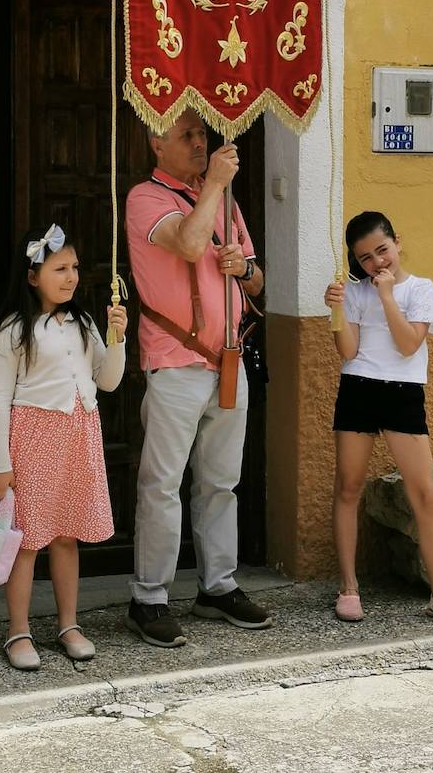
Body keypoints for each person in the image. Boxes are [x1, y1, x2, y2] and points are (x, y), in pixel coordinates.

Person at [125, 109, 270, 647]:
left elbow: (259, 283)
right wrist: (213, 187)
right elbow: (188, 243)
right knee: (161, 485)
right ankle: (149, 596)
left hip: (227, 359)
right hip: (176, 361)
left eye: (202, 134)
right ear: (156, 142)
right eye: (186, 134)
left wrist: (244, 268)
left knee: (221, 482)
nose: (199, 142)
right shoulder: (147, 197)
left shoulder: (224, 200)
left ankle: (218, 585)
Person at [323, 211, 433, 628]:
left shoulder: (421, 289)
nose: (377, 262)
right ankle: (348, 588)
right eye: (365, 258)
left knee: (425, 495)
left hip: (402, 393)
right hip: (358, 387)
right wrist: (336, 312)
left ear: (397, 241)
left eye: (382, 250)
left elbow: (409, 343)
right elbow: (348, 351)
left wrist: (387, 296)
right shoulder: (356, 293)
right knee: (348, 487)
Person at [0, 223, 128, 670]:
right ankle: (18, 631)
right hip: (33, 439)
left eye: (74, 268)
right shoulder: (14, 332)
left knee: (67, 536)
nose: (71, 277)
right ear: (33, 276)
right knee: (27, 540)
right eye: (59, 268)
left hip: (79, 435)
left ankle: (68, 624)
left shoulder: (84, 323)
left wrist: (118, 337)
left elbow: (108, 381)